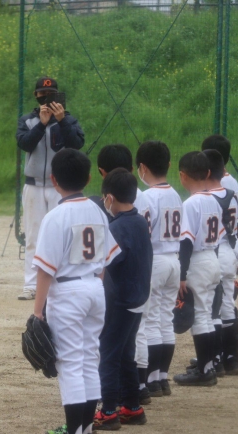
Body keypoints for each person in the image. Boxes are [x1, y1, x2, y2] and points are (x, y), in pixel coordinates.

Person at [31, 149, 120, 434]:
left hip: (68, 292)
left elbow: (46, 269)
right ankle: (86, 433)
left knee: (69, 363)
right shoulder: (97, 210)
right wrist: (94, 288)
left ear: (53, 179)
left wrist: (37, 311)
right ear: (89, 177)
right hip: (95, 287)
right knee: (89, 359)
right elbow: (105, 259)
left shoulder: (55, 216)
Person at [94, 143, 154, 404]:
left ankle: (108, 410)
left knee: (108, 354)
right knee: (126, 353)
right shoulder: (139, 220)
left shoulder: (116, 228)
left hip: (121, 301)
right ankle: (132, 406)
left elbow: (104, 266)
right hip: (139, 298)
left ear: (109, 198)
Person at [17, 77, 85, 301]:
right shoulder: (28, 120)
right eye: (42, 94)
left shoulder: (68, 119)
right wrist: (41, 124)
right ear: (36, 96)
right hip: (34, 185)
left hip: (60, 186)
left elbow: (77, 144)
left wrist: (61, 120)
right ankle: (31, 284)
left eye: (51, 94)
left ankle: (60, 282)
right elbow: (24, 143)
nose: (46, 98)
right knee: (33, 236)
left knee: (61, 235)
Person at [171, 151, 223, 386]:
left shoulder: (190, 203)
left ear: (183, 176)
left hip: (198, 261)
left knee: (201, 316)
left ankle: (204, 371)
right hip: (213, 258)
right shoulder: (214, 200)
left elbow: (186, 241)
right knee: (208, 315)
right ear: (208, 173)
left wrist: (181, 274)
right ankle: (209, 366)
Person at [135, 140, 182, 397]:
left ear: (142, 168)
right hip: (174, 259)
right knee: (166, 318)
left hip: (156, 260)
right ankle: (162, 378)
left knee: (151, 320)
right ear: (169, 165)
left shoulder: (147, 196)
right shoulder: (176, 194)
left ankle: (152, 380)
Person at [201, 135, 238, 375]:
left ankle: (217, 356)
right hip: (232, 244)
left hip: (220, 247)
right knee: (225, 302)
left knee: (215, 304)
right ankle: (231, 357)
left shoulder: (217, 184)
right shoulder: (232, 181)